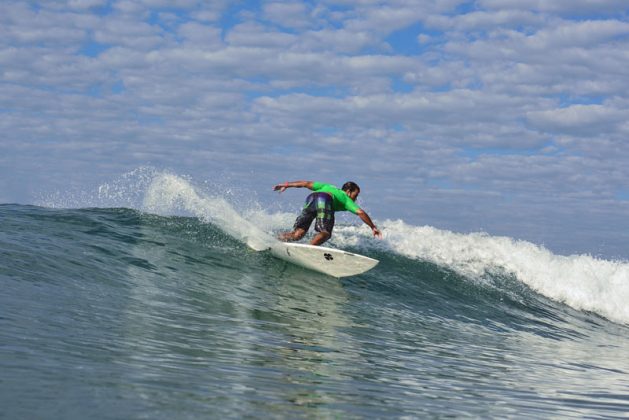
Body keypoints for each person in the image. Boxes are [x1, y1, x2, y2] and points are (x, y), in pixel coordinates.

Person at [273, 180, 382, 246]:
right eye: (355, 195)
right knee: (325, 233)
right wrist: (373, 227)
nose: (356, 198)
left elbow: (306, 183)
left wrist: (287, 185)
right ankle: (311, 249)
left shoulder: (328, 186)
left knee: (297, 234)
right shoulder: (345, 198)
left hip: (311, 198)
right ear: (348, 192)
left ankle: (273, 239)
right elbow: (361, 212)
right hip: (324, 199)